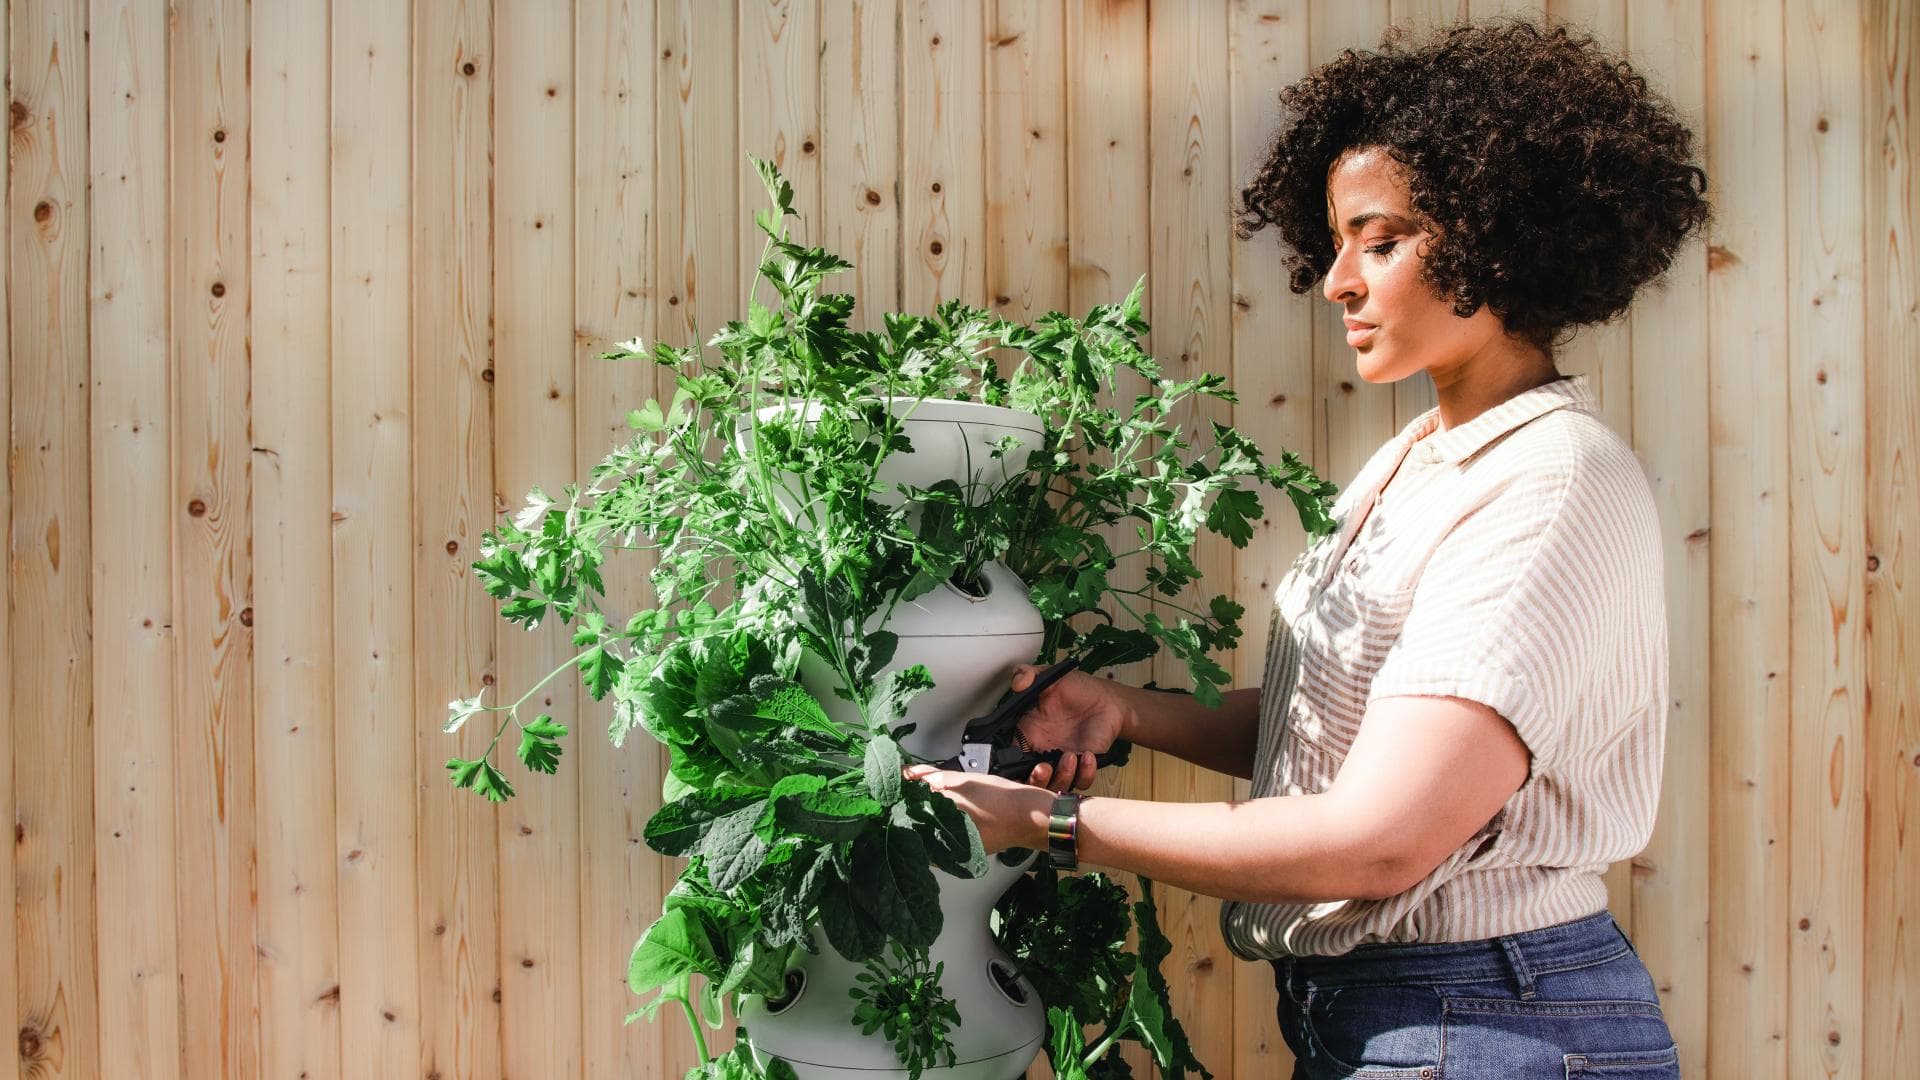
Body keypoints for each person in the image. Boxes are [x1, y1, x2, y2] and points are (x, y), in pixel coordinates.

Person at [903, 18, 1710, 1079]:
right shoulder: (1421, 462)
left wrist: (1058, 825)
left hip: (1485, 1026)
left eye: (1381, 241)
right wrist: (1131, 711)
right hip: (1407, 1017)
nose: (1336, 280)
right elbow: (1355, 741)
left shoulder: (1547, 485)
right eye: (1335, 244)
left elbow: (1381, 837)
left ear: (1498, 238)